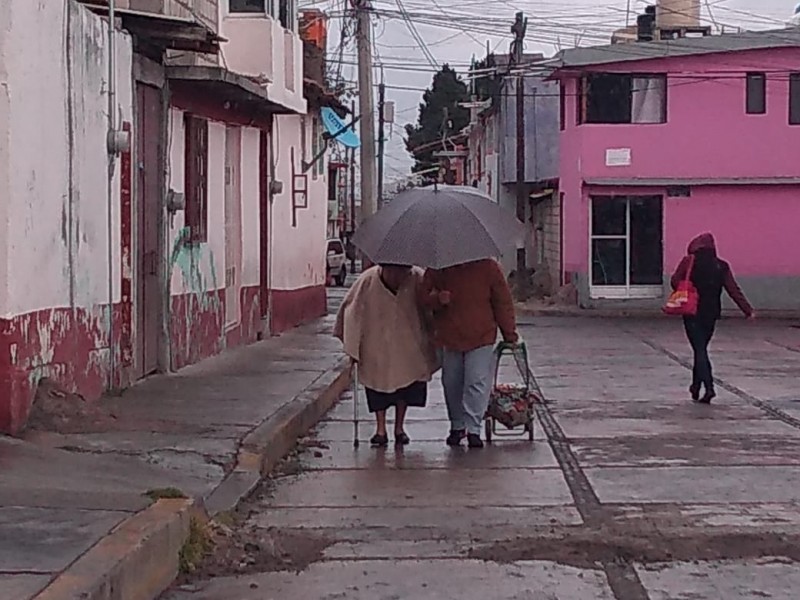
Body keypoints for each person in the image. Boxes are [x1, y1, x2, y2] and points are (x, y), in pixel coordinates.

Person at [334, 264, 439, 447]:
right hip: (376, 342)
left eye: (402, 271)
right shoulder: (367, 281)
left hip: (409, 342)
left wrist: (434, 334)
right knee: (377, 387)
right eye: (392, 271)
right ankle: (380, 429)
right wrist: (352, 344)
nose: (397, 275)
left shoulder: (417, 278)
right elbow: (351, 311)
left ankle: (399, 428)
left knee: (406, 387)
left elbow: (429, 306)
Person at [422, 259, 518, 449]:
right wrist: (438, 299)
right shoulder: (439, 268)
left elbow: (502, 301)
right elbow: (422, 296)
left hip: (481, 335)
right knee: (452, 382)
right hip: (450, 336)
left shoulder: (489, 268)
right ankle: (457, 426)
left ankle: (473, 428)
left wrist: (509, 333)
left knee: (476, 381)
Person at [670, 233, 754, 404]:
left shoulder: (689, 262)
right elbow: (733, 289)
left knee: (699, 350)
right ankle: (695, 386)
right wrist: (747, 310)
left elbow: (674, 281)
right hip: (711, 313)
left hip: (691, 311)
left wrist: (689, 286)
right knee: (701, 349)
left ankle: (709, 388)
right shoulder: (721, 266)